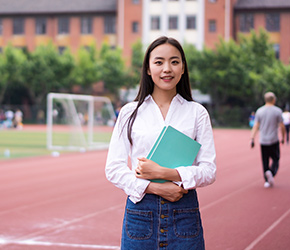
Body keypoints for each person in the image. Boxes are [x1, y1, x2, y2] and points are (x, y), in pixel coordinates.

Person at [105, 36, 216, 250]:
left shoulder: (196, 113)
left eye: (174, 62)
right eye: (159, 62)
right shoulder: (130, 112)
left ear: (183, 68)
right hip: (140, 214)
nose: (167, 68)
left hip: (184, 214)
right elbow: (113, 168)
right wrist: (156, 187)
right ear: (148, 68)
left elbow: (209, 171)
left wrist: (167, 174)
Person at [250, 92, 285, 188]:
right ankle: (271, 172)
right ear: (274, 100)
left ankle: (266, 180)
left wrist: (252, 138)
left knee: (265, 160)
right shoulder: (277, 111)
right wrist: (283, 137)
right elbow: (282, 126)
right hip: (274, 139)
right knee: (276, 159)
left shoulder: (259, 111)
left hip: (263, 140)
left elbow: (256, 125)